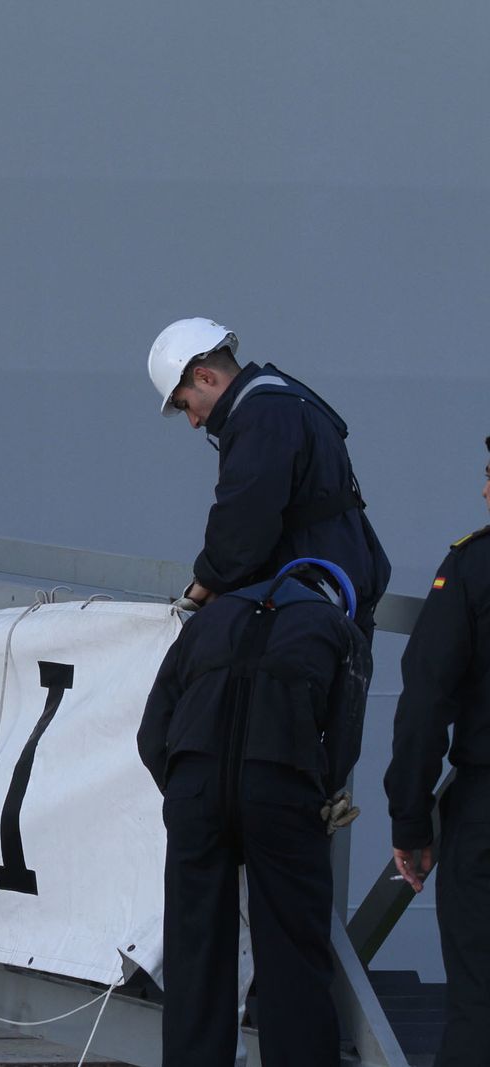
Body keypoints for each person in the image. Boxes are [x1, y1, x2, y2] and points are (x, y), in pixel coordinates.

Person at [139, 558, 371, 1067]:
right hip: (281, 787)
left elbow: (152, 731)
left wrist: (184, 792)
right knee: (293, 956)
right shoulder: (342, 632)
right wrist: (314, 795)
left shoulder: (209, 620)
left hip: (195, 786)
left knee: (195, 954)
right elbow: (343, 743)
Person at [147, 318, 390, 635]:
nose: (193, 421)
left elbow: (244, 518)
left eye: (185, 405)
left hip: (307, 598)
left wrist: (206, 582)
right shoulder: (281, 397)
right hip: (336, 580)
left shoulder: (261, 416)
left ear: (204, 377)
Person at [384, 437, 490, 1066]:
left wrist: (410, 819)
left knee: (479, 1005)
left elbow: (426, 701)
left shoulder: (473, 565)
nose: (485, 490)